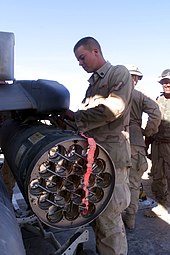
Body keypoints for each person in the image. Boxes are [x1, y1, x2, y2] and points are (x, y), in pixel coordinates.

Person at [64, 36, 133, 255]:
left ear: (96, 51)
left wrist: (76, 117)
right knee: (97, 214)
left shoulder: (118, 73)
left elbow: (112, 109)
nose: (80, 63)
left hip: (112, 159)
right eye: (78, 60)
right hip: (96, 160)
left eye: (82, 57)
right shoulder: (92, 86)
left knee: (110, 220)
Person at [122, 65, 161, 229]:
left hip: (114, 139)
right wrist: (148, 131)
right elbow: (156, 112)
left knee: (114, 182)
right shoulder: (140, 96)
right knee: (133, 183)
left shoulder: (112, 93)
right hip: (136, 141)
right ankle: (130, 220)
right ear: (136, 79)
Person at [144, 69, 170, 217]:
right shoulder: (157, 101)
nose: (167, 84)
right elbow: (152, 123)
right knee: (158, 176)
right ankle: (161, 205)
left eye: (169, 81)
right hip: (158, 145)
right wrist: (146, 143)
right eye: (164, 82)